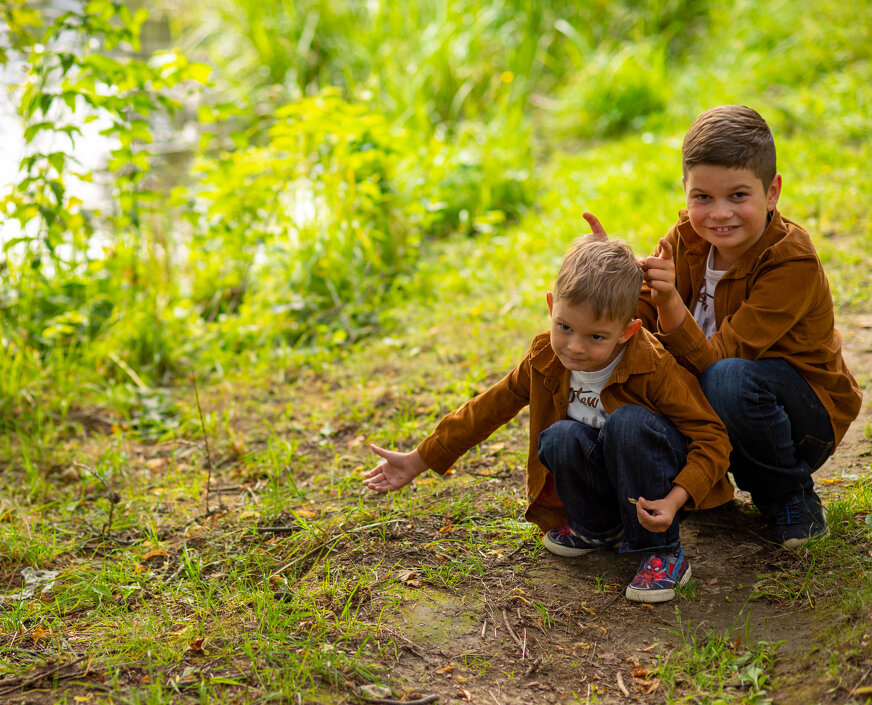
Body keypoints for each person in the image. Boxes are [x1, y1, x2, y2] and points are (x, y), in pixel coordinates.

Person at [363, 235, 733, 603]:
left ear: (627, 331)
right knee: (560, 436)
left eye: (596, 337)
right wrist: (419, 458)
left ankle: (663, 551)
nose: (574, 346)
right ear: (552, 306)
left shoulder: (651, 365)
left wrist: (674, 499)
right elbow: (489, 406)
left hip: (655, 482)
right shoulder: (545, 358)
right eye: (565, 327)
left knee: (627, 424)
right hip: (606, 477)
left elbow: (713, 438)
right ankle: (599, 529)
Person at [587, 104, 862, 548]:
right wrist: (606, 274)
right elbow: (638, 318)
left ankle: (789, 494)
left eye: (738, 196)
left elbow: (716, 359)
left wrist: (672, 299)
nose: (719, 213)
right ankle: (670, 494)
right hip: (718, 412)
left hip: (800, 419)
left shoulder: (791, 262)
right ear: (686, 190)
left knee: (726, 378)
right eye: (703, 198)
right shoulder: (687, 238)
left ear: (771, 192)